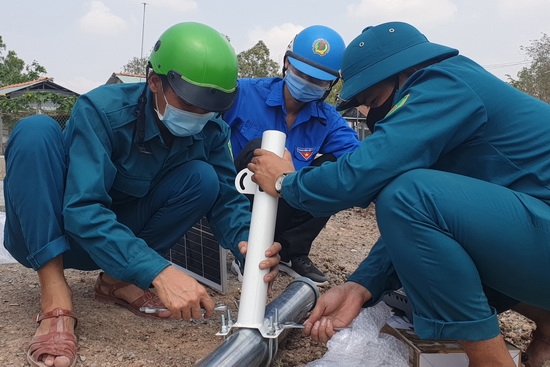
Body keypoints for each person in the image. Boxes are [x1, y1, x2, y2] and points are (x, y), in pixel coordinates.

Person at [247, 21, 550, 367]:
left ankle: (492, 362)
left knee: (405, 196)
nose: (370, 114)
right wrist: (360, 286)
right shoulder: (454, 104)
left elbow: (366, 176)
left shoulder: (443, 83)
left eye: (373, 100)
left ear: (404, 74)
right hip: (537, 229)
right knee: (427, 274)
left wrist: (288, 182)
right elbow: (424, 225)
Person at [3, 22, 281, 367]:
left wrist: (247, 244)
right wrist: (158, 271)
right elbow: (82, 208)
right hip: (52, 232)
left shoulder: (210, 130)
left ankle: (116, 282)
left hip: (110, 249)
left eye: (209, 108)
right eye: (189, 103)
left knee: (204, 178)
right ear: (154, 83)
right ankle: (55, 299)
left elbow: (226, 199)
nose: (199, 116)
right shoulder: (102, 111)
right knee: (34, 131)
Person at [223, 25, 360, 285]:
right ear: (287, 63)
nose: (307, 83)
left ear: (331, 84)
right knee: (262, 145)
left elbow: (361, 163)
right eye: (301, 72)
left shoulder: (327, 120)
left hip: (286, 197)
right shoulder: (244, 94)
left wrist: (292, 176)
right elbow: (203, 128)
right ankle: (242, 244)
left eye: (318, 80)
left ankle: (289, 251)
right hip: (242, 199)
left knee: (334, 169)